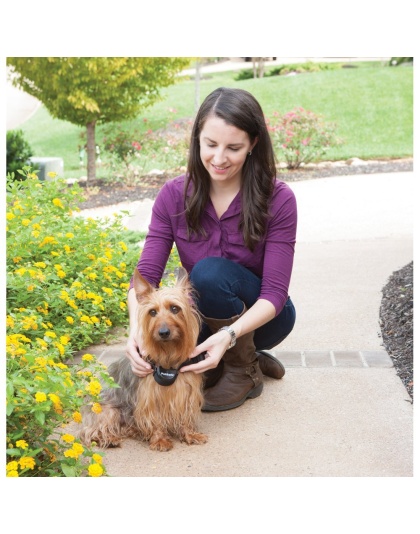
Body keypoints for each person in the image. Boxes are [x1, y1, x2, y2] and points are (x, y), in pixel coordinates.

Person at [125, 87, 297, 412]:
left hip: (266, 319)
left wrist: (229, 335)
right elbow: (144, 277)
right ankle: (243, 358)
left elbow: (274, 293)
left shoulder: (279, 199)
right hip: (205, 317)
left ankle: (242, 370)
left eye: (233, 147)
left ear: (253, 144)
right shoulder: (173, 195)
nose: (219, 159)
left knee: (209, 272)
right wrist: (136, 331)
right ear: (197, 140)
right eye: (210, 144)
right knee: (178, 328)